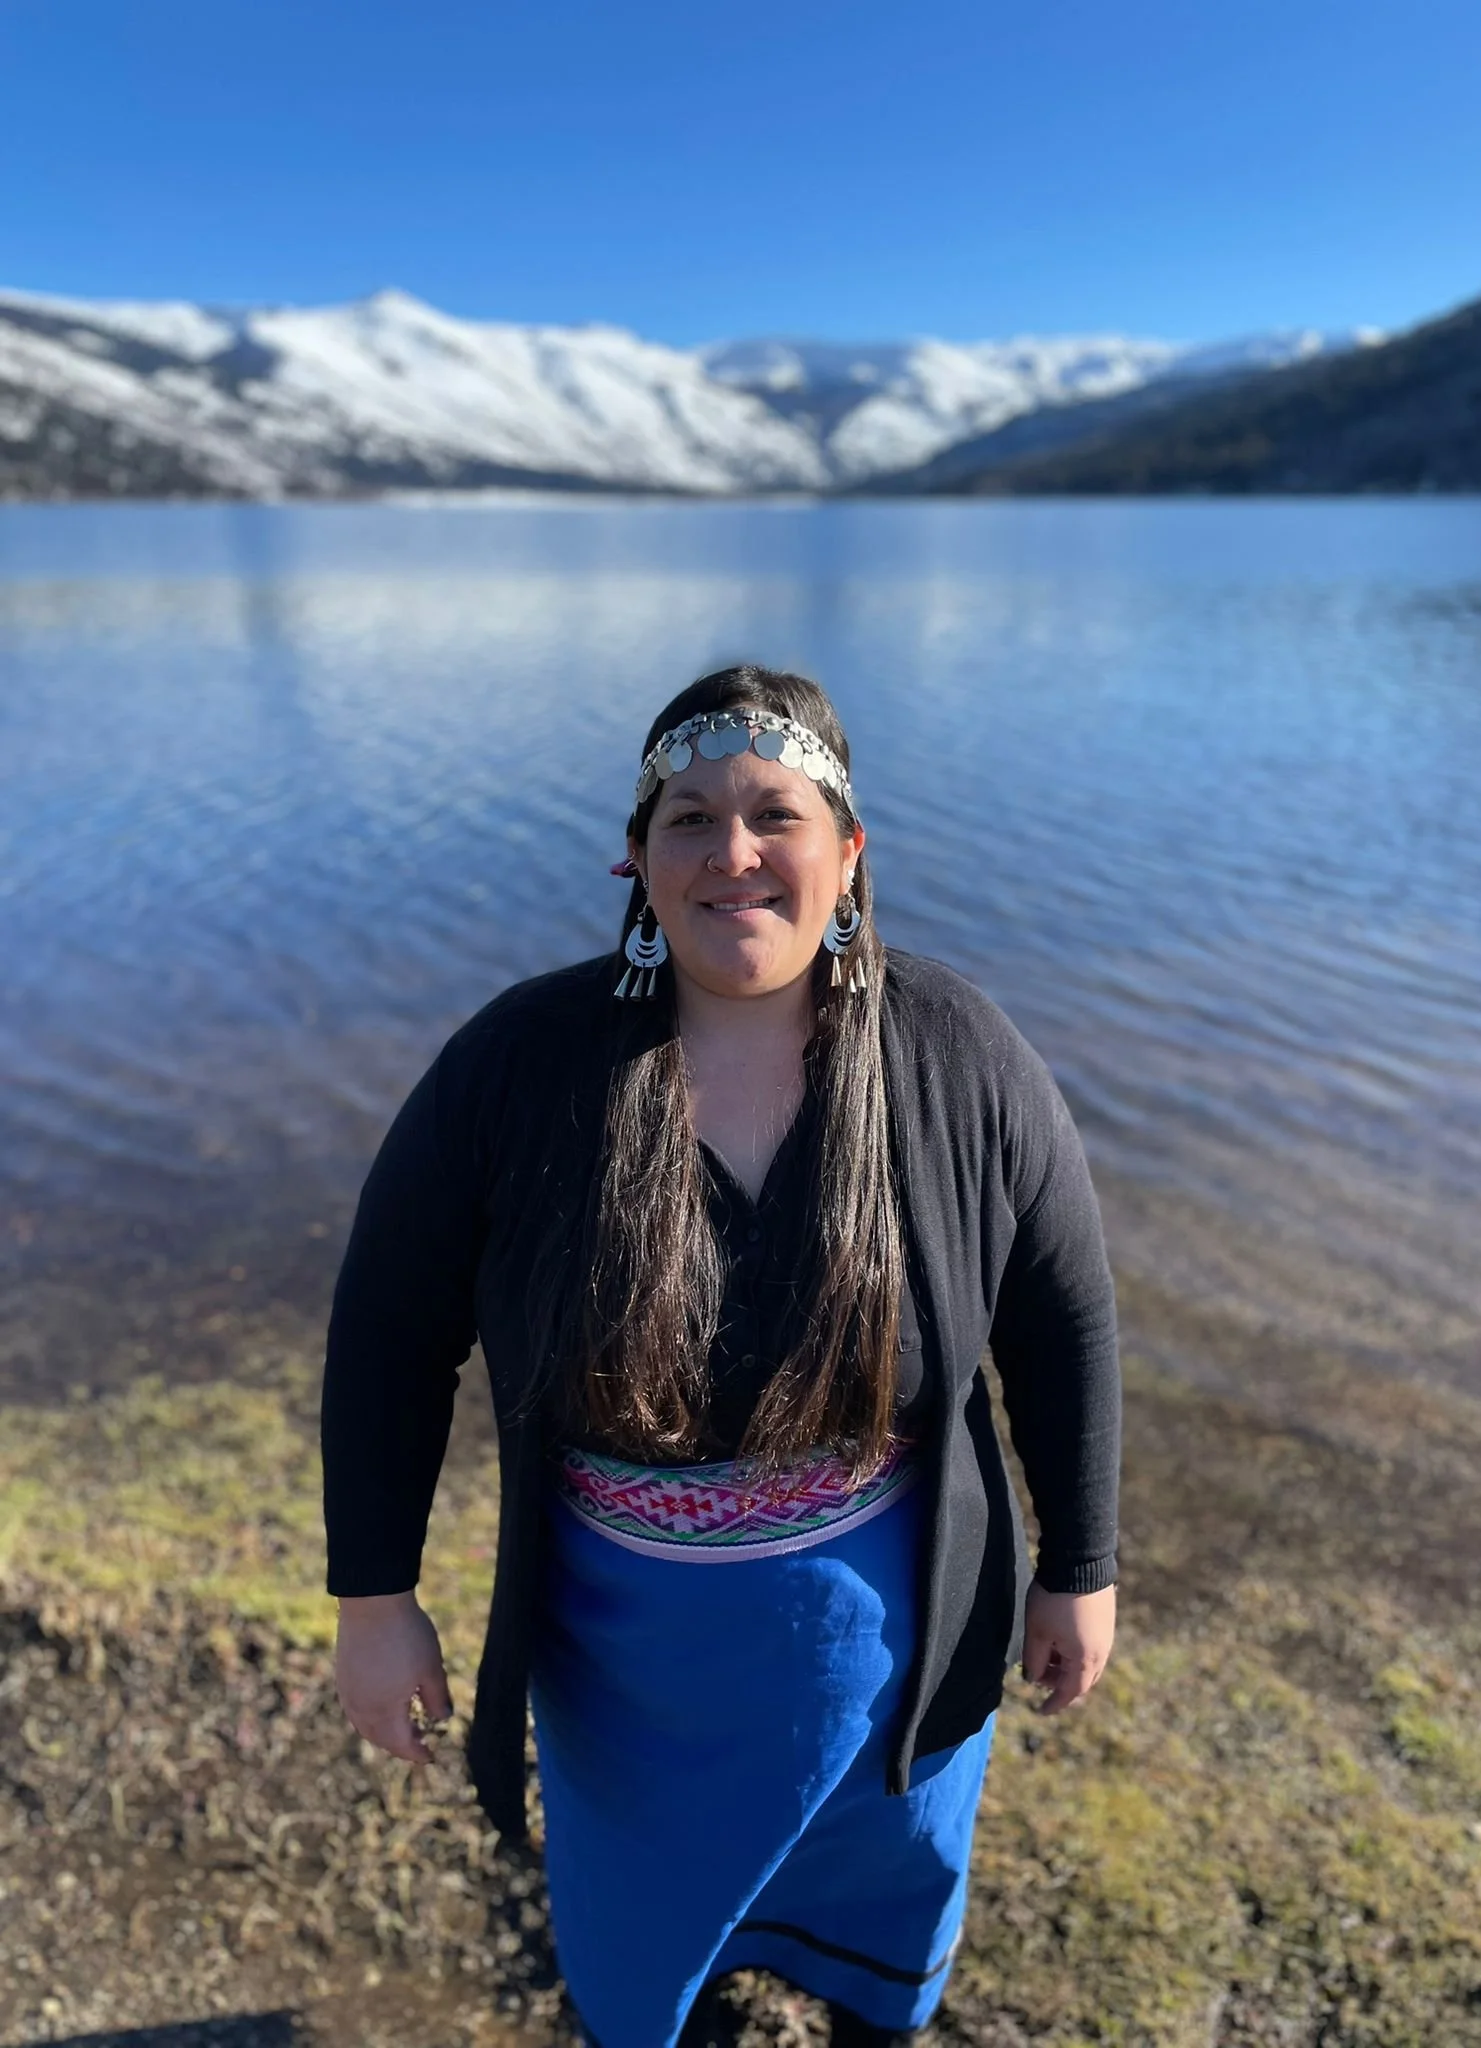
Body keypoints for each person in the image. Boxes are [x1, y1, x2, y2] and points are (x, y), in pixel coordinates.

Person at [321, 665, 1121, 2048]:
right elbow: (390, 1331)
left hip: (889, 1671)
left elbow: (1064, 1319)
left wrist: (1081, 1564)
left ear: (849, 853)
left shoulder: (957, 1054)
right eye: (690, 819)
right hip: (631, 1685)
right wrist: (373, 1596)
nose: (734, 854)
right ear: (636, 861)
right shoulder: (521, 1067)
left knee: (883, 1954)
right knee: (645, 1977)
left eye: (776, 815)